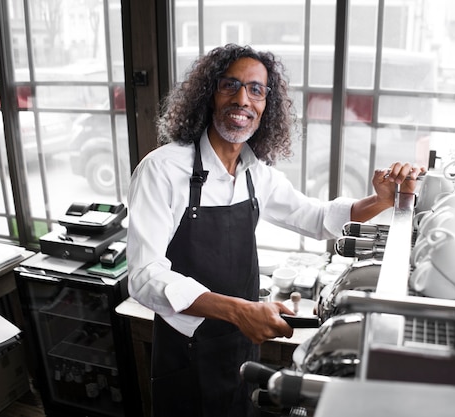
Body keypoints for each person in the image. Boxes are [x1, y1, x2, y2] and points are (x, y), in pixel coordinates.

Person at [126, 43, 424, 417]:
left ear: (267, 105)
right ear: (208, 94)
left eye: (256, 90)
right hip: (188, 354)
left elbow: (315, 218)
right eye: (229, 85)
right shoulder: (163, 170)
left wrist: (380, 200)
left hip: (241, 348)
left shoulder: (255, 173)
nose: (242, 100)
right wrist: (239, 311)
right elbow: (143, 276)